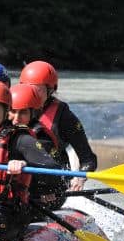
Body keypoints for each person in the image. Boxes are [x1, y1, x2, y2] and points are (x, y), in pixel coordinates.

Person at [0, 81, 62, 241]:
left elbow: (55, 172)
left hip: (8, 217)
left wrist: (24, 166)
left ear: (5, 112)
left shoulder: (20, 138)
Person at [19, 60, 98, 191]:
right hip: (20, 179)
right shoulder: (12, 110)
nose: (31, 96)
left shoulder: (64, 116)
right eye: (28, 89)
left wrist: (80, 177)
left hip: (51, 186)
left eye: (37, 90)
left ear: (50, 90)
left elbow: (88, 159)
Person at [8, 84, 67, 210]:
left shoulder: (41, 137)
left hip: (43, 195)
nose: (16, 119)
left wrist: (47, 187)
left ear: (33, 113)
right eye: (12, 111)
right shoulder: (2, 131)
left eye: (23, 112)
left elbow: (56, 175)